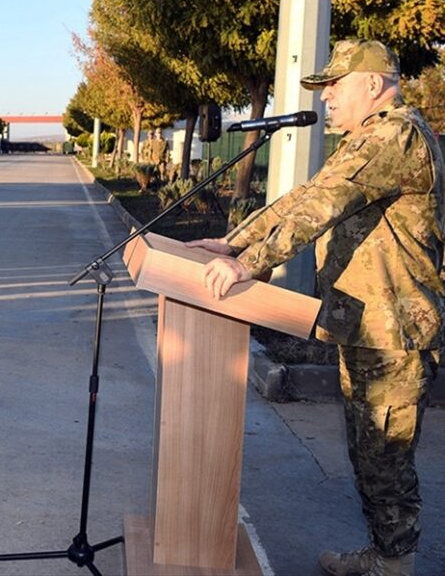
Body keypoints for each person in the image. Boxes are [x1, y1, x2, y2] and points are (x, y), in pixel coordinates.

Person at [186, 40, 443, 576]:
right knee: (367, 451)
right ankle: (383, 553)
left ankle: (394, 564)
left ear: (372, 84)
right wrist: (236, 244)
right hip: (366, 322)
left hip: (396, 327)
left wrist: (248, 263)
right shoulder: (364, 140)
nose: (327, 98)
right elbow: (305, 196)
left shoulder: (394, 135)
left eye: (336, 86)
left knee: (386, 453)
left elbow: (324, 207)